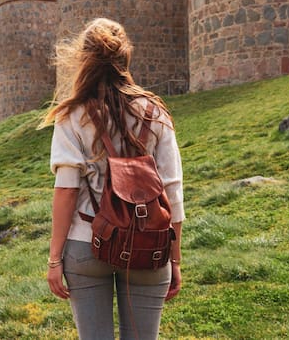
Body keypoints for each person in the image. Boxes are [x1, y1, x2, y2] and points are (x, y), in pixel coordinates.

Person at [41, 18, 184, 339]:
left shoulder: (72, 116)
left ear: (83, 59)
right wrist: (174, 259)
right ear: (125, 57)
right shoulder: (155, 113)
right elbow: (172, 193)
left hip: (86, 243)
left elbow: (66, 190)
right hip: (149, 244)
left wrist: (54, 260)